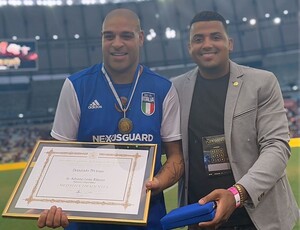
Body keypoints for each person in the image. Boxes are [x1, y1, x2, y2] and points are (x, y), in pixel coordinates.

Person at [37, 8, 184, 230]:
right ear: (102, 39)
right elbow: (58, 159)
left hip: (147, 218)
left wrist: (156, 184)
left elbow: (176, 158)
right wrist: (52, 204)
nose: (117, 43)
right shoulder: (76, 86)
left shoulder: (163, 89)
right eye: (109, 36)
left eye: (126, 35)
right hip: (86, 221)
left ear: (140, 38)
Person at [172, 11, 299, 230]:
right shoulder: (174, 89)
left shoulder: (262, 82)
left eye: (216, 37)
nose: (207, 44)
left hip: (259, 218)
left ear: (229, 43)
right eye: (198, 39)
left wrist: (236, 194)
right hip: (201, 216)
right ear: (189, 47)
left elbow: (276, 147)